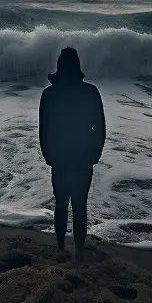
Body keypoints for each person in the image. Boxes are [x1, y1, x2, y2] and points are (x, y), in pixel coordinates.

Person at [38, 47, 106, 261]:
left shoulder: (49, 94)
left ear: (59, 68)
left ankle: (59, 246)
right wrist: (95, 153)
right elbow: (100, 128)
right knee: (79, 205)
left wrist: (48, 155)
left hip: (59, 155)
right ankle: (79, 251)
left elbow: (44, 129)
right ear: (77, 68)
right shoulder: (90, 92)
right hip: (84, 155)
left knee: (61, 204)